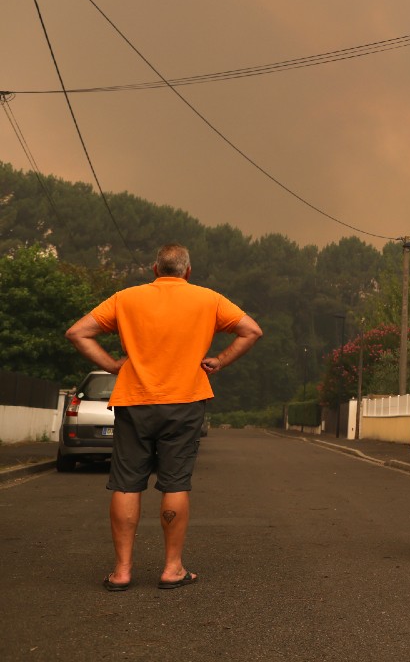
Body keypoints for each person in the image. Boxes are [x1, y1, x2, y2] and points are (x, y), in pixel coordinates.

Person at [65, 243, 263, 590]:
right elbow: (252, 330)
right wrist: (220, 360)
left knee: (126, 483)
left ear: (155, 270)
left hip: (135, 400)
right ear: (187, 272)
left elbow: (77, 333)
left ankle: (122, 571)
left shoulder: (125, 298)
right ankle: (172, 568)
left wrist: (113, 365)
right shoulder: (209, 299)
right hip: (185, 402)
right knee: (175, 483)